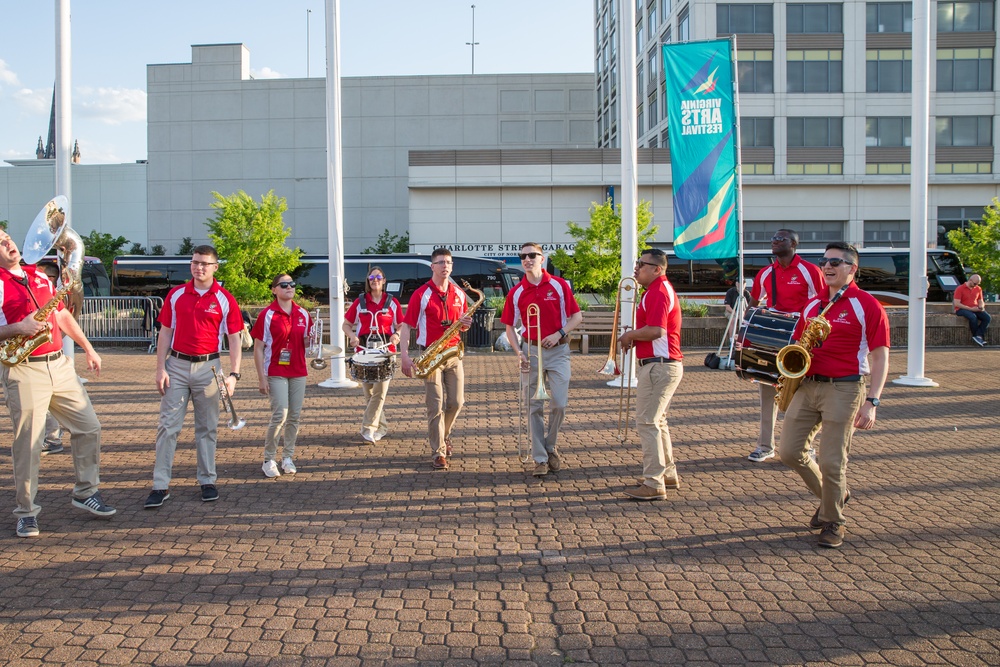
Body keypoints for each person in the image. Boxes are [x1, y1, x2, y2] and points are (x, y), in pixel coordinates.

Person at [0, 229, 115, 538]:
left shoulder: (36, 275)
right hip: (24, 370)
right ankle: (26, 512)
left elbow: (61, 315)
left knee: (88, 427)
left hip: (58, 365)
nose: (10, 243)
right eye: (1, 242)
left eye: (8, 237)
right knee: (30, 444)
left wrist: (88, 348)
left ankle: (85, 492)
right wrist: (18, 327)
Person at [778, 242, 890, 549]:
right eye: (825, 261)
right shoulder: (812, 306)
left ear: (852, 269)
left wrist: (873, 401)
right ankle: (836, 496)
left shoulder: (867, 304)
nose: (828, 266)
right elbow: (800, 346)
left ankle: (833, 520)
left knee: (831, 460)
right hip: (808, 384)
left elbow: (880, 358)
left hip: (845, 387)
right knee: (788, 452)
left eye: (837, 262)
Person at [144, 245, 244, 508]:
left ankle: (207, 480)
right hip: (176, 366)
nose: (198, 267)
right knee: (168, 427)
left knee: (207, 428)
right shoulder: (176, 295)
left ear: (215, 267)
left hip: (209, 369)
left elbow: (234, 339)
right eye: (195, 262)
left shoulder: (225, 299)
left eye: (204, 263)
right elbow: (165, 332)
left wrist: (233, 375)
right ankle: (160, 485)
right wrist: (160, 368)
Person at [502, 243, 582, 477]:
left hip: (558, 351)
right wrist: (519, 352)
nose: (527, 259)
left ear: (542, 258)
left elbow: (577, 316)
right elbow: (509, 327)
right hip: (531, 351)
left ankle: (550, 445)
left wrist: (559, 333)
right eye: (523, 256)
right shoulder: (516, 292)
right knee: (533, 406)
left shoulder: (558, 285)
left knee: (559, 403)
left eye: (532, 255)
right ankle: (540, 458)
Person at [746, 229, 825, 463]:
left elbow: (822, 301)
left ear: (793, 244)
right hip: (773, 341)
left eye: (780, 239)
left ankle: (805, 446)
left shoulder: (810, 271)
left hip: (801, 340)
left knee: (805, 394)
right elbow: (754, 301)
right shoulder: (765, 272)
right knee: (767, 391)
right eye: (772, 238)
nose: (774, 241)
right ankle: (765, 445)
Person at [618, 249, 685, 501]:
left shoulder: (657, 291)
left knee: (647, 422)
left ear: (657, 269)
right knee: (659, 421)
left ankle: (654, 482)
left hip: (658, 365)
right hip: (662, 363)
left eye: (641, 264)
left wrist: (630, 336)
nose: (636, 268)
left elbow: (656, 330)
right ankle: (666, 474)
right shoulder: (657, 290)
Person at [399, 248, 472, 471]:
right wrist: (403, 356)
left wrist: (465, 325)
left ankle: (444, 434)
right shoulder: (421, 294)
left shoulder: (459, 293)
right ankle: (438, 451)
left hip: (452, 354)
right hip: (429, 355)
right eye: (440, 262)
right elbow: (406, 326)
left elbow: (463, 321)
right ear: (432, 267)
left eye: (448, 262)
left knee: (457, 402)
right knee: (435, 405)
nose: (445, 266)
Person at [251, 274, 313, 478]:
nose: (289, 287)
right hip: (276, 370)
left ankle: (288, 457)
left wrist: (314, 341)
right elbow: (258, 348)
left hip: (298, 370)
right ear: (274, 290)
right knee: (280, 415)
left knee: (294, 416)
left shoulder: (303, 313)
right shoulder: (267, 314)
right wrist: (261, 377)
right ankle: (269, 459)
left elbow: (305, 343)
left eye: (292, 284)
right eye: (284, 284)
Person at [342, 266, 403, 443]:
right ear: (368, 281)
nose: (375, 280)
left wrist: (396, 335)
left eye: (378, 277)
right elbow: (346, 324)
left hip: (385, 352)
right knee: (369, 393)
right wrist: (352, 337)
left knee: (379, 392)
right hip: (364, 352)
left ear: (384, 281)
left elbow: (401, 325)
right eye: (372, 277)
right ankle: (381, 427)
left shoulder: (392, 302)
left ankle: (368, 428)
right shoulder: (360, 302)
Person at [953, 274, 990, 347]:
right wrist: (970, 309)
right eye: (975, 284)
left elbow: (980, 300)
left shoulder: (978, 288)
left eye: (977, 284)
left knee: (987, 318)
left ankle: (978, 335)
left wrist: (981, 307)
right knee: (972, 317)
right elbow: (957, 303)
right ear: (970, 280)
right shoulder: (960, 288)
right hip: (961, 309)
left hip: (974, 308)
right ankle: (976, 336)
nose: (975, 285)